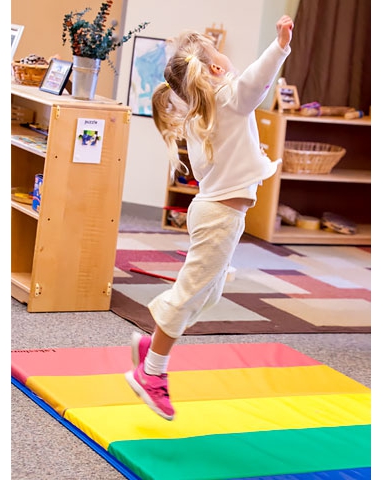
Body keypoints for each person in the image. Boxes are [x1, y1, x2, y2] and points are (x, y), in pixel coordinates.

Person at [125, 15, 294, 421]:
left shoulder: (203, 110)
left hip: (215, 214)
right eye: (222, 56)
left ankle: (153, 344)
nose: (228, 61)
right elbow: (257, 79)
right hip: (219, 217)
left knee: (207, 292)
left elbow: (247, 86)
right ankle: (151, 373)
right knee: (189, 293)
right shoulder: (228, 99)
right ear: (217, 68)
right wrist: (280, 45)